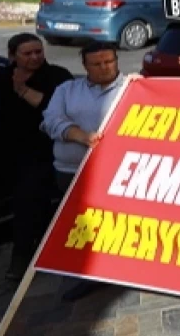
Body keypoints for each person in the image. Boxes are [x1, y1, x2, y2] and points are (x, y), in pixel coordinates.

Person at [0, 33, 74, 280]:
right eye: (27, 53)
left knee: (29, 205)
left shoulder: (57, 77)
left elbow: (53, 109)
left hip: (42, 153)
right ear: (12, 56)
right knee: (28, 206)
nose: (35, 57)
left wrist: (23, 90)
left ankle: (23, 259)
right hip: (7, 154)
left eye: (38, 52)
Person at [41, 41, 133, 301]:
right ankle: (86, 276)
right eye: (97, 64)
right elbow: (51, 120)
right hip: (71, 171)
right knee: (81, 227)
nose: (105, 68)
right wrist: (80, 136)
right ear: (84, 66)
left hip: (116, 172)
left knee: (116, 223)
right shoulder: (67, 90)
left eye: (110, 61)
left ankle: (118, 271)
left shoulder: (132, 87)